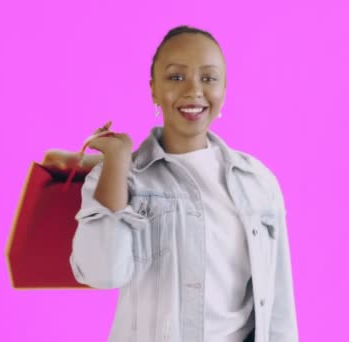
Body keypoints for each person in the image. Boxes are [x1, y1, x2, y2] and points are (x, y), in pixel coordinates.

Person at [69, 25, 298, 342]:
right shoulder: (123, 175)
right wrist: (118, 160)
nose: (194, 90)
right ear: (153, 89)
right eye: (176, 77)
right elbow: (103, 273)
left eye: (209, 78)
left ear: (224, 89)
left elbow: (278, 305)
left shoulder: (257, 181)